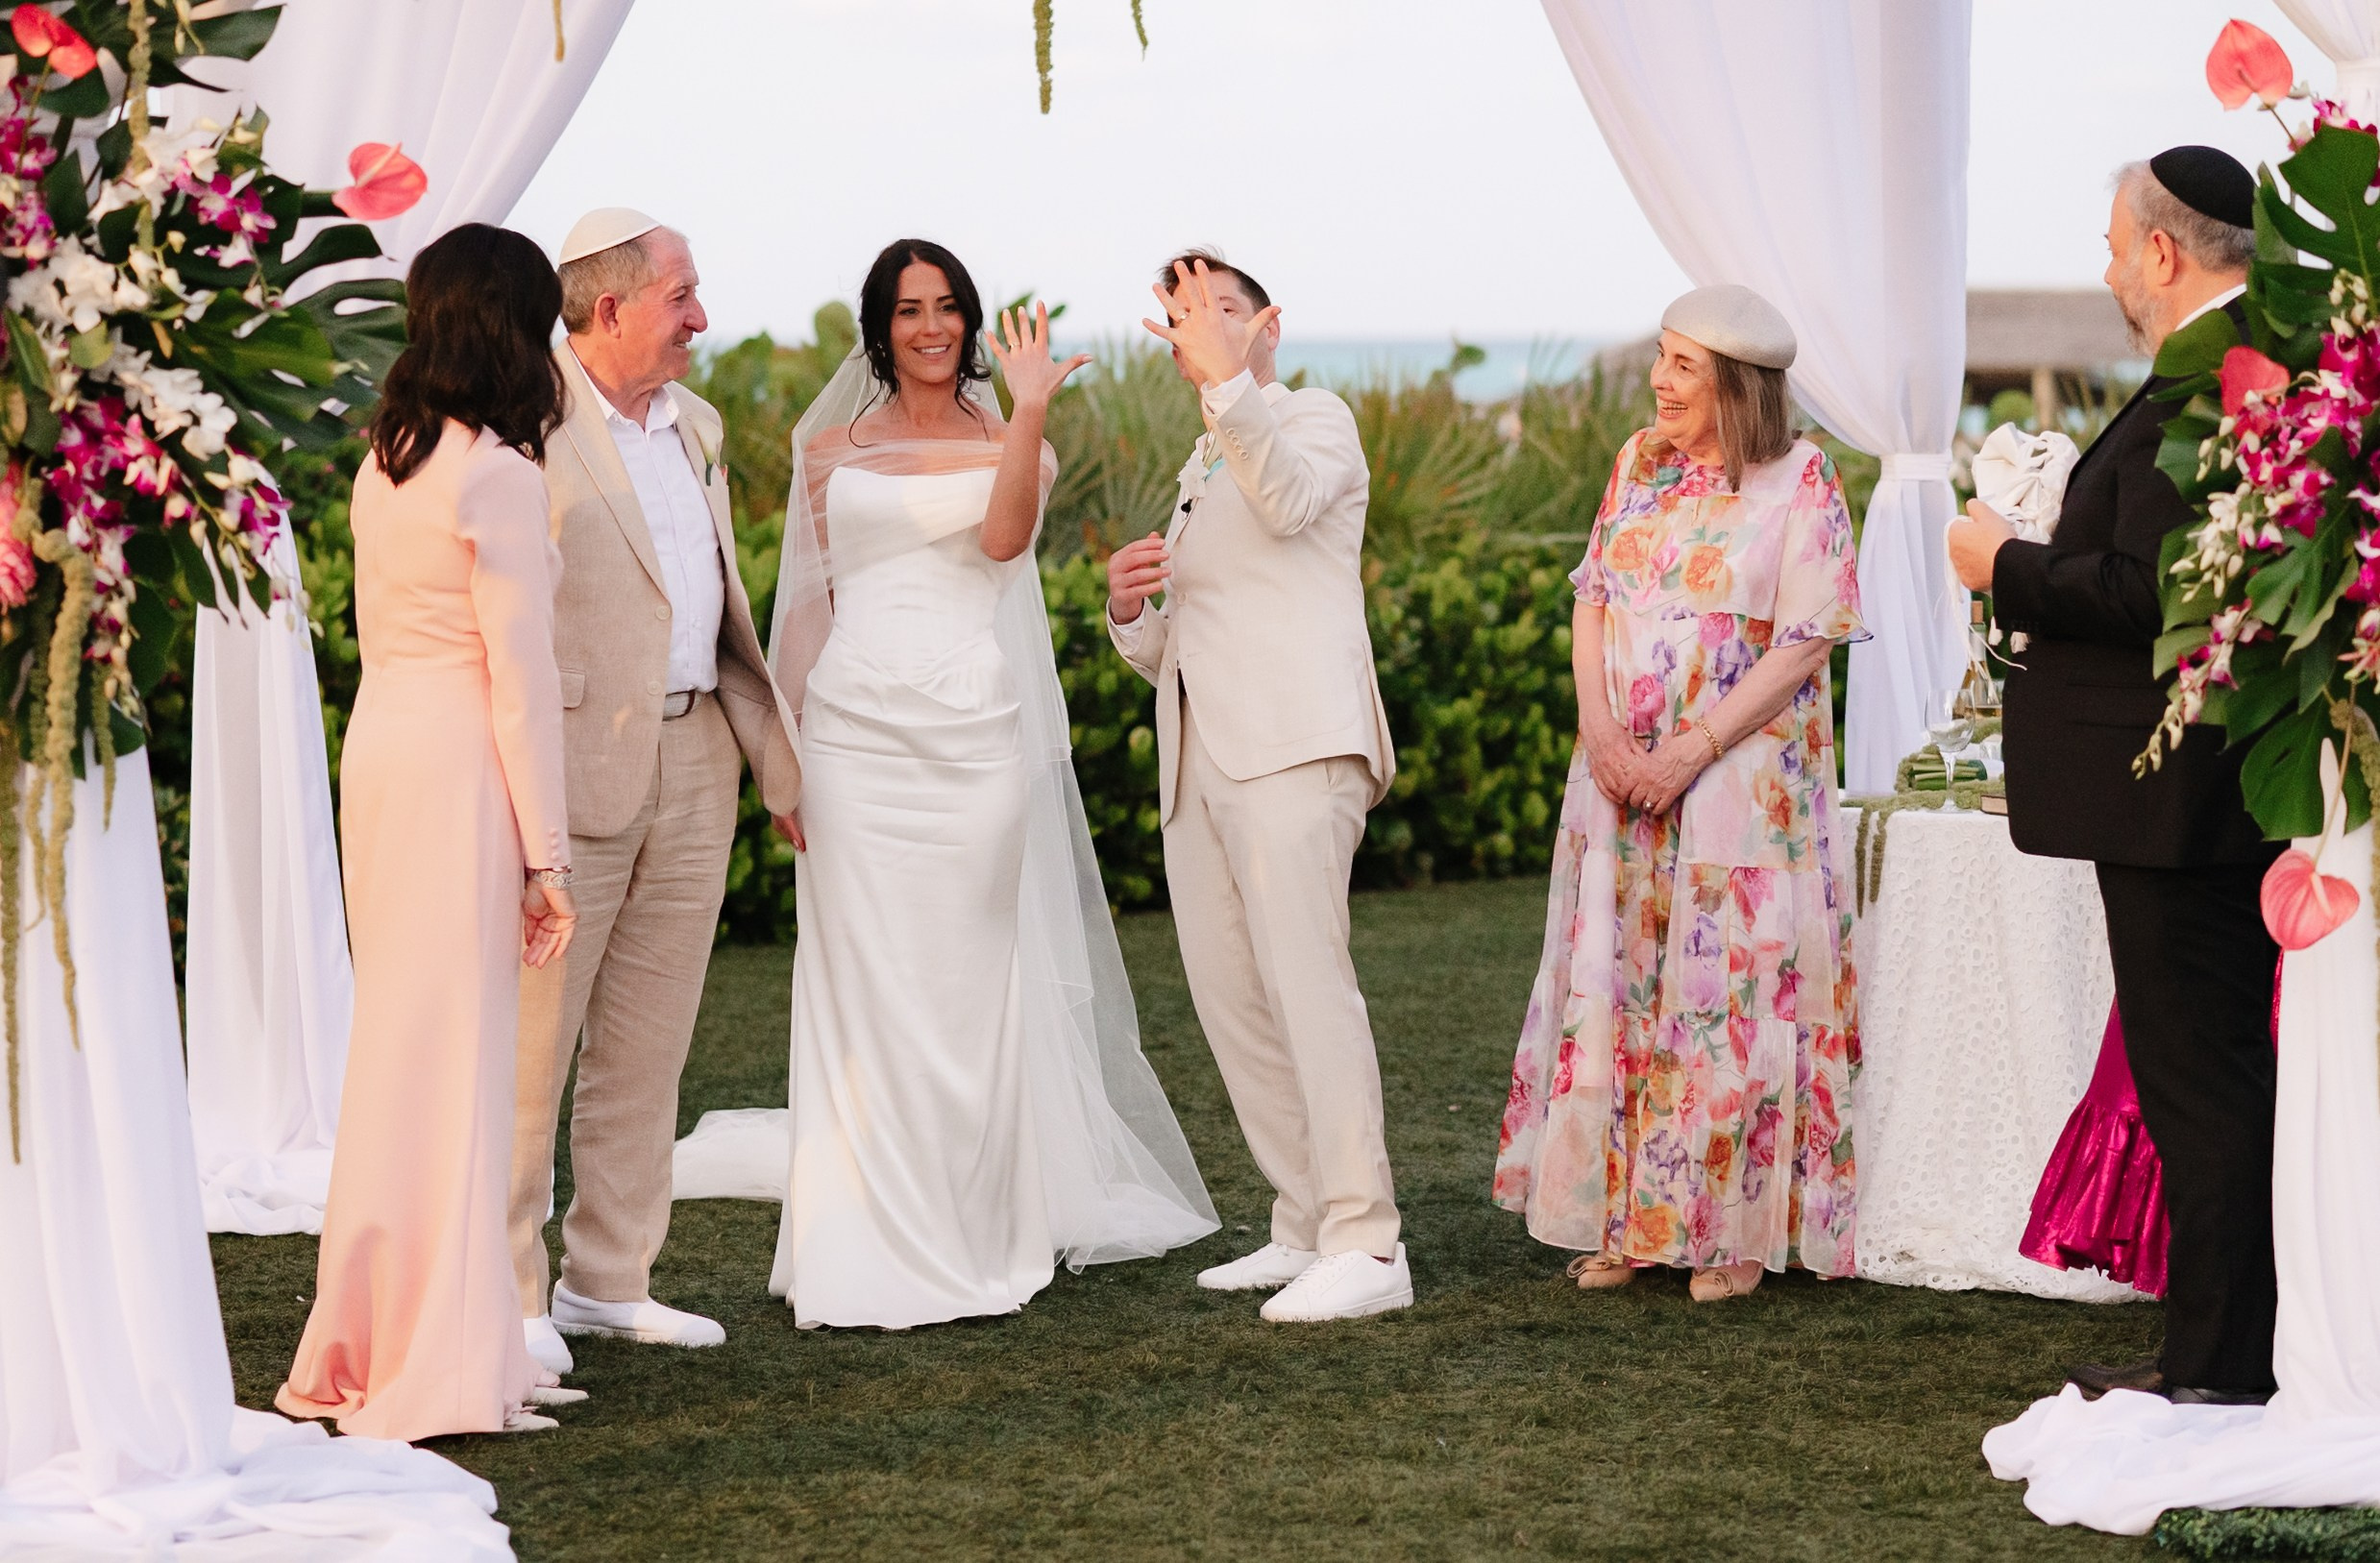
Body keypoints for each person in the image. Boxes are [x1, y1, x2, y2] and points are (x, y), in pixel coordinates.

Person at [748, 238, 1217, 1330]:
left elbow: (1004, 544)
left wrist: (1030, 407)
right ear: (881, 326)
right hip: (851, 742)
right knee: (856, 988)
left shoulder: (1015, 443)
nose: (932, 326)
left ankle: (970, 1229)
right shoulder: (824, 451)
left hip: (970, 739)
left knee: (967, 987)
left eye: (947, 306)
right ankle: (851, 1238)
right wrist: (783, 755)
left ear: (968, 320)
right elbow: (806, 609)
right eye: (909, 308)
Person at [1949, 147, 2278, 1404]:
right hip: (2196, 791)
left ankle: (2218, 1366)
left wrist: (2005, 565)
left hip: (2176, 796)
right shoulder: (2242, 364)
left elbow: (2156, 592)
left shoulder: (2209, 378)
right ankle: (2222, 1349)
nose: (2103, 273)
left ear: (2160, 250)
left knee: (2202, 1086)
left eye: (2108, 247)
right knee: (2213, 1078)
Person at [1492, 284, 1865, 1304]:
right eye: (1659, 356)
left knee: (1725, 995)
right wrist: (1600, 730)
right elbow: (1592, 598)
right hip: (1618, 775)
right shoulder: (1636, 463)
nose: (1658, 380)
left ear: (1736, 385)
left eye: (1682, 366)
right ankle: (1629, 1219)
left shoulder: (1803, 479)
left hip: (1738, 782)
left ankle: (1728, 1227)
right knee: (1620, 981)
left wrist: (1689, 749)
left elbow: (1803, 645)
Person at [277, 224, 580, 1439]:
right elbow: (520, 679)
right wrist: (548, 857)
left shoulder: (385, 457)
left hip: (385, 750)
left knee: (399, 1055)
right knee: (459, 1065)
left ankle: (398, 1339)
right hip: (460, 765)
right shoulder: (496, 471)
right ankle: (445, 1365)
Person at [508, 209, 800, 1374]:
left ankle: (607, 1281)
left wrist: (763, 753)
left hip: (698, 758)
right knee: (533, 1045)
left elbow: (716, 601)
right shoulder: (521, 418)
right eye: (681, 296)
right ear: (610, 306)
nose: (700, 318)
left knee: (648, 1043)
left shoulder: (700, 425)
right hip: (570, 765)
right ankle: (507, 1297)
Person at [1105, 253, 1409, 1324]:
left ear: (1267, 325)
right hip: (1201, 761)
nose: (1196, 325)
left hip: (1293, 749)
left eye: (1218, 308)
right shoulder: (1203, 457)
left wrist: (1224, 379)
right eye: (1181, 313)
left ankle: (1367, 1241)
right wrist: (1129, 612)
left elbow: (1286, 502)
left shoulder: (1311, 419)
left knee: (1307, 990)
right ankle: (1304, 1221)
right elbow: (1190, 640)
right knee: (1234, 1003)